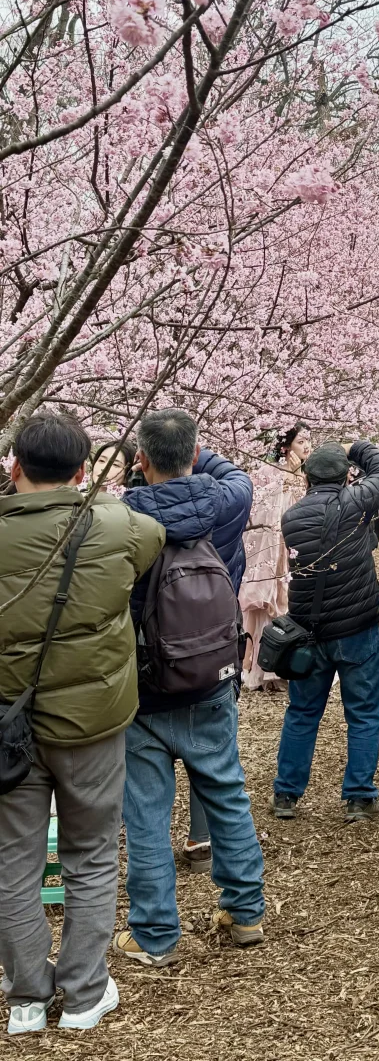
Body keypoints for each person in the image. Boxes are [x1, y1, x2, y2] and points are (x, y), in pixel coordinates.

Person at [0, 412, 165, 1034]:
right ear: (81, 472)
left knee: (11, 860)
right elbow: (154, 531)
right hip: (93, 724)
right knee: (91, 854)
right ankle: (85, 992)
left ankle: (26, 999)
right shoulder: (117, 525)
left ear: (14, 467)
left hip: (9, 727)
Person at [117, 410, 263, 966]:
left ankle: (155, 934)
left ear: (142, 459)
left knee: (147, 813)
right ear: (196, 452)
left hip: (146, 689)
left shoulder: (123, 517)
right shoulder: (228, 500)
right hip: (210, 677)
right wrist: (191, 454)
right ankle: (245, 911)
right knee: (227, 791)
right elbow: (235, 472)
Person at [272, 438, 379, 821]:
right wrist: (356, 446)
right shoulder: (357, 502)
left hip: (310, 631)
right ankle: (359, 796)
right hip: (357, 627)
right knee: (363, 712)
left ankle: (286, 795)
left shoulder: (291, 518)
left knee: (303, 711)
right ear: (347, 477)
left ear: (307, 478)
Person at [240, 426, 309, 691]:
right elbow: (267, 515)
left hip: (289, 549)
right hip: (272, 549)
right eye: (301, 442)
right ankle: (263, 667)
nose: (306, 447)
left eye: (308, 442)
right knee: (269, 606)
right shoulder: (269, 472)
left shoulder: (301, 473)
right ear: (286, 446)